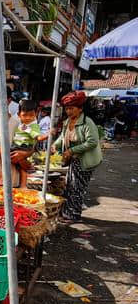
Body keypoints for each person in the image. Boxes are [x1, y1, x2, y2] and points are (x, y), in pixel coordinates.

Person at [53, 91, 102, 223]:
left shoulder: (87, 123)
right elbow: (62, 138)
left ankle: (74, 215)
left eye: (71, 108)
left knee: (77, 188)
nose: (68, 111)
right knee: (69, 186)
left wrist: (72, 150)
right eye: (67, 108)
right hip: (73, 160)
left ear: (80, 109)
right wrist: (54, 145)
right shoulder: (67, 122)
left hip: (84, 161)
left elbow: (92, 142)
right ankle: (67, 213)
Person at [0, 89, 31, 187]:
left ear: (8, 100)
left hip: (15, 181)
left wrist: (23, 185)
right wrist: (21, 160)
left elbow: (25, 150)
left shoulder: (17, 122)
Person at [11, 100, 46, 188]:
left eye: (31, 115)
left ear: (36, 114)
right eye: (25, 115)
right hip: (18, 146)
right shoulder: (21, 124)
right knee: (21, 166)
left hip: (23, 147)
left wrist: (48, 134)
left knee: (22, 165)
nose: (28, 118)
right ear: (19, 114)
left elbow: (38, 138)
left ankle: (23, 185)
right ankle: (23, 184)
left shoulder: (33, 126)